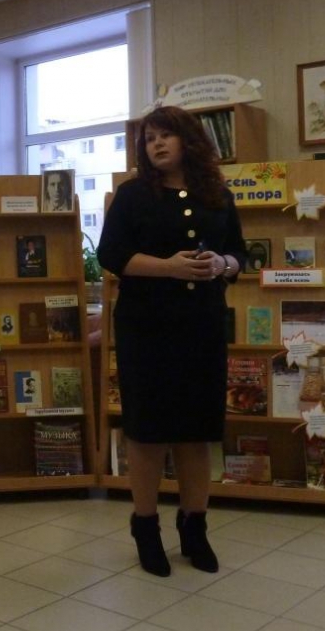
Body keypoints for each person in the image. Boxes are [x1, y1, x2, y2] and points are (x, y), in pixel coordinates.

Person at [97, 105, 245, 577]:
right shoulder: (132, 195)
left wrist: (222, 265)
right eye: (149, 138)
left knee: (196, 432)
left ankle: (194, 528)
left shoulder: (217, 195)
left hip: (202, 326)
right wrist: (169, 267)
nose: (156, 144)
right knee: (148, 433)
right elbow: (111, 255)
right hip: (147, 329)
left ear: (188, 140)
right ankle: (145, 528)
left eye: (165, 136)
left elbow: (239, 255)